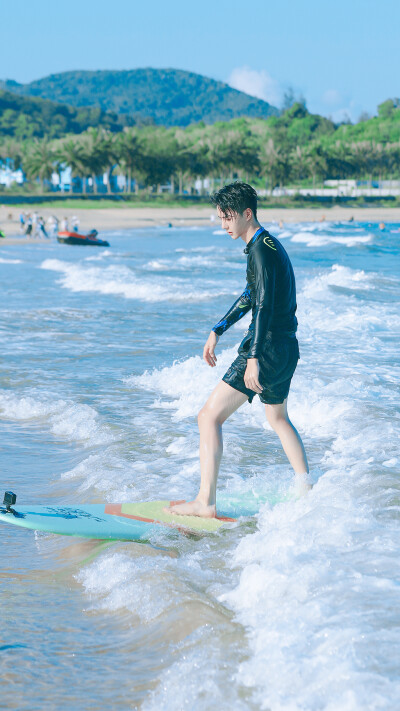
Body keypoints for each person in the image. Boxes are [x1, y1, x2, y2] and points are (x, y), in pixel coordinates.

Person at [166, 182, 310, 519]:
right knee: (277, 417)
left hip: (268, 349)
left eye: (227, 218)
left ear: (247, 213)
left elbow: (261, 308)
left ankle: (205, 503)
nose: (223, 225)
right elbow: (251, 296)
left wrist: (254, 359)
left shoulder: (260, 251)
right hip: (287, 348)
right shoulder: (267, 245)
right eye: (220, 218)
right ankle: (307, 492)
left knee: (208, 417)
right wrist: (218, 329)